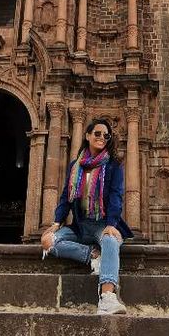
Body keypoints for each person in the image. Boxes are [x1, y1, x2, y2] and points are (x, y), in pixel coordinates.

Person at [41, 117, 132, 314]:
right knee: (48, 241)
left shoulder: (114, 165)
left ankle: (107, 297)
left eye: (106, 135)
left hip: (101, 224)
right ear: (88, 135)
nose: (101, 137)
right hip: (80, 227)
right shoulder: (76, 166)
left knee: (110, 240)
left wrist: (112, 223)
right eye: (97, 133)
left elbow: (116, 195)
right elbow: (66, 195)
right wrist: (57, 222)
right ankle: (92, 256)